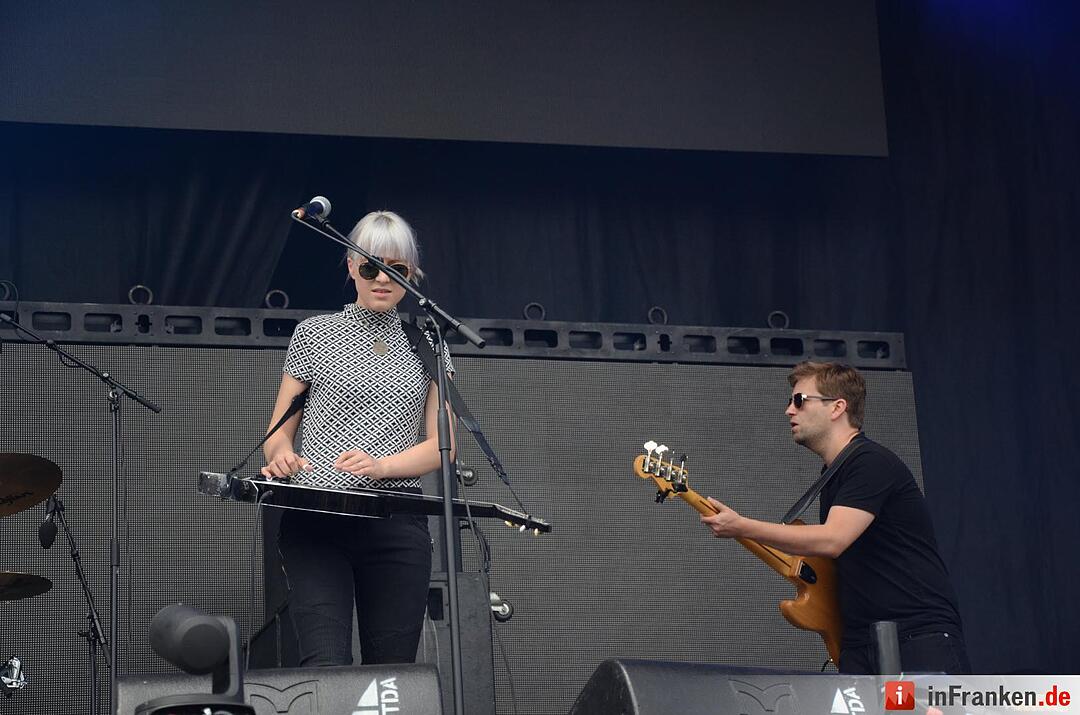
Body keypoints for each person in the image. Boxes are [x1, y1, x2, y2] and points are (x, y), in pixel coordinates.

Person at [260, 209, 454, 667]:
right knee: (325, 664)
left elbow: (442, 445)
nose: (382, 280)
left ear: (412, 275)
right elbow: (276, 435)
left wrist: (381, 466)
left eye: (396, 270)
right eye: (371, 267)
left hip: (396, 519)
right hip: (318, 516)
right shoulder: (315, 334)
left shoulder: (426, 342)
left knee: (393, 672)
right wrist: (284, 456)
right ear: (351, 267)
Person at [700, 361, 970, 674]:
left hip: (916, 637)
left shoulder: (870, 462)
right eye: (790, 401)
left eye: (799, 400)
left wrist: (742, 527)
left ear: (837, 407)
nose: (790, 410)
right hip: (860, 643)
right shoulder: (834, 474)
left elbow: (832, 539)